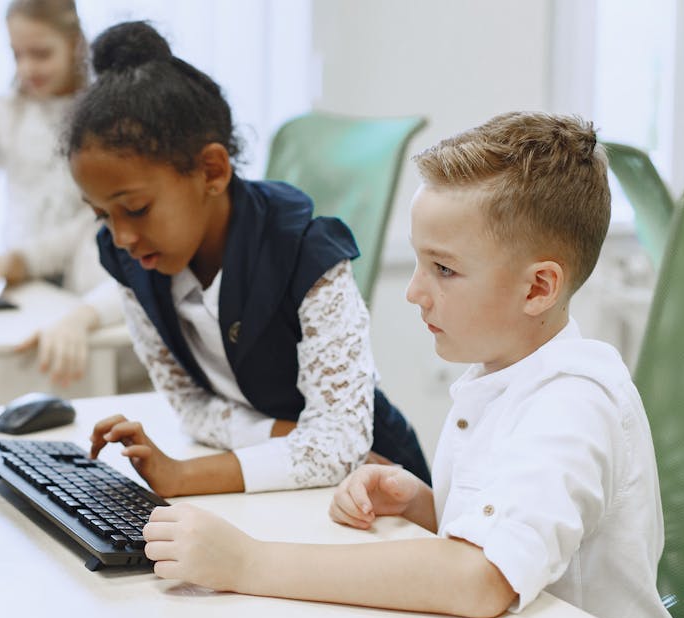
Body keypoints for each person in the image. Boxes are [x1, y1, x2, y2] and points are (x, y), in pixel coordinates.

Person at [139, 112, 676, 618]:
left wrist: (248, 563)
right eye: (420, 263)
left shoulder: (571, 405)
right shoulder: (505, 377)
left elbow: (480, 580)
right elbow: (522, 536)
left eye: (444, 269)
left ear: (538, 288)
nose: (415, 291)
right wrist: (424, 504)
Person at [67, 21, 431, 498]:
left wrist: (181, 476)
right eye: (102, 216)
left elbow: (339, 445)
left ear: (212, 171)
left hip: (380, 489)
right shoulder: (130, 256)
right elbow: (189, 407)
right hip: (275, 483)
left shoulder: (306, 251)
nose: (122, 237)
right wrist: (283, 435)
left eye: (135, 208)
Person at [0, 0, 122, 386]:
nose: (27, 68)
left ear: (75, 44)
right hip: (23, 282)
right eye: (17, 54)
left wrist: (22, 260)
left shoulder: (104, 115)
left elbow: (95, 218)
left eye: (41, 54)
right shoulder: (1, 113)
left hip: (82, 281)